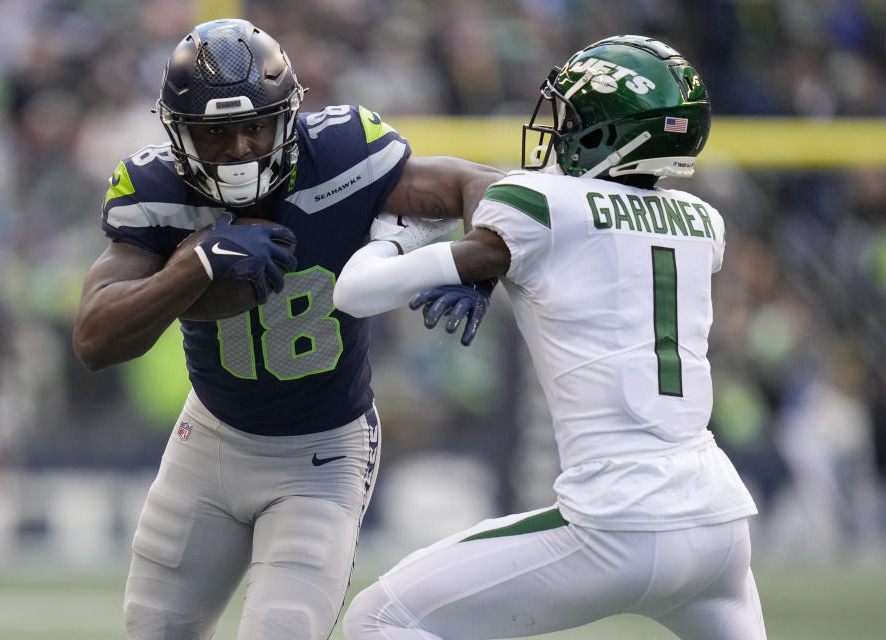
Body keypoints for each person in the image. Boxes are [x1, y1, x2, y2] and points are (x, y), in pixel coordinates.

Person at [71, 18, 501, 640]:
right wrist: (195, 263)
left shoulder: (344, 155)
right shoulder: (157, 189)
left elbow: (476, 184)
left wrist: (477, 259)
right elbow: (94, 339)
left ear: (291, 116)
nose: (242, 148)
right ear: (180, 133)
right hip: (210, 444)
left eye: (255, 126)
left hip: (322, 454)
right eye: (217, 135)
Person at [334, 35, 766, 640]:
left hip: (617, 523)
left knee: (378, 618)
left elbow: (355, 293)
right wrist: (490, 267)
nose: (558, 131)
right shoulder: (704, 224)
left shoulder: (539, 203)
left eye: (574, 117)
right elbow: (596, 246)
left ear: (616, 133)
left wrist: (399, 233)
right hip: (719, 527)